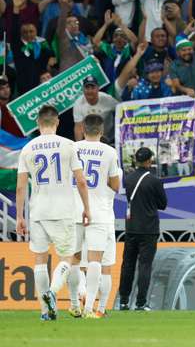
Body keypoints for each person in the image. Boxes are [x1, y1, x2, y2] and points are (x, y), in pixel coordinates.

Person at [15, 105, 91, 321]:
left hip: (38, 211)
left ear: (38, 124)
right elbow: (81, 181)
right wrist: (86, 208)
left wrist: (20, 216)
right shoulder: (69, 145)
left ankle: (45, 310)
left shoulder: (28, 148)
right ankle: (52, 292)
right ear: (57, 122)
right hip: (63, 209)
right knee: (67, 258)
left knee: (40, 259)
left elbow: (21, 186)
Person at [68, 114, 120, 318]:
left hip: (73, 210)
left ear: (82, 129)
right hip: (99, 212)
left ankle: (74, 302)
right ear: (102, 131)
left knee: (73, 260)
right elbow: (116, 186)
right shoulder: (109, 152)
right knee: (96, 260)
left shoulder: (72, 148)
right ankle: (90, 308)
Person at [117, 146, 167, 311]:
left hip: (131, 227)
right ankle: (140, 302)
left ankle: (123, 300)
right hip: (149, 229)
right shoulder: (155, 181)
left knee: (128, 264)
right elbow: (163, 204)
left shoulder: (129, 179)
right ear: (149, 160)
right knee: (145, 265)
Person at [72, 75, 118, 141]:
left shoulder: (108, 99)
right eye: (87, 88)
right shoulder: (78, 103)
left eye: (93, 87)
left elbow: (122, 108)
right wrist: (78, 146)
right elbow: (79, 127)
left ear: (98, 88)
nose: (90, 91)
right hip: (89, 137)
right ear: (83, 89)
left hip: (109, 135)